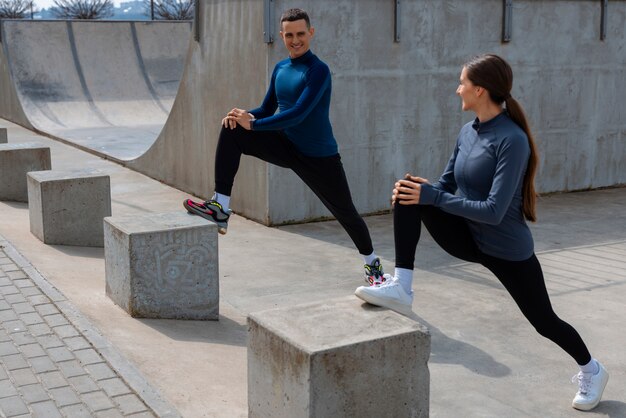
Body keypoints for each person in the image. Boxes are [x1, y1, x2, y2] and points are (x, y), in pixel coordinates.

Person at [354, 54, 608, 411]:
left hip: (506, 250)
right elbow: (444, 185)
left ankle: (592, 370)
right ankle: (402, 286)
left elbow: (493, 210)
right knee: (409, 190)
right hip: (468, 238)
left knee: (544, 321)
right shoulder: (467, 131)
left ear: (480, 89)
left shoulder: (512, 140)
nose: (457, 88)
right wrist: (424, 191)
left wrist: (435, 196)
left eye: (461, 83)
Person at [184, 8, 385, 285]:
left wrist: (252, 124)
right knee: (231, 129)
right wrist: (244, 116)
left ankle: (373, 265)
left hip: (319, 156)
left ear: (310, 33)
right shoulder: (280, 68)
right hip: (286, 144)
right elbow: (268, 108)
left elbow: (298, 113)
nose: (295, 40)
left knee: (346, 212)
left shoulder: (318, 71)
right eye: (289, 35)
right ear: (282, 36)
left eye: (300, 33)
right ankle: (220, 207)